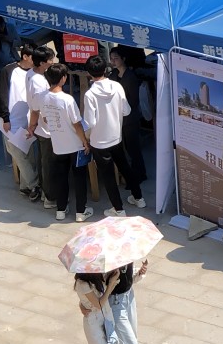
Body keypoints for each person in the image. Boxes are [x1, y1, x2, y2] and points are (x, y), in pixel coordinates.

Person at [83, 55, 145, 218]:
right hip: (116, 137)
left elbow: (90, 122)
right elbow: (126, 110)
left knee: (108, 175)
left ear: (88, 73)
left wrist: (86, 136)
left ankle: (118, 209)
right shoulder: (117, 86)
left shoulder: (90, 94)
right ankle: (139, 198)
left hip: (99, 141)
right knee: (125, 167)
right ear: (105, 69)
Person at [30, 63, 92, 222]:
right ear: (63, 78)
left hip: (57, 144)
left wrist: (33, 126)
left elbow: (37, 112)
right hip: (75, 145)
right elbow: (77, 124)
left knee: (61, 177)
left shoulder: (41, 97)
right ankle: (81, 212)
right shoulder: (67, 99)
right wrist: (85, 141)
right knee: (79, 178)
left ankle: (61, 210)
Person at [0, 42, 40, 201]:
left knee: (29, 156)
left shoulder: (35, 72)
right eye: (34, 58)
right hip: (12, 121)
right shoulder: (8, 70)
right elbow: (1, 95)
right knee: (19, 155)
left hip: (29, 121)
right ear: (25, 56)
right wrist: (5, 117)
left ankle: (24, 187)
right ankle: (35, 185)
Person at [108, 47, 147, 184]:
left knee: (133, 148)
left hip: (130, 118)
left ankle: (139, 174)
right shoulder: (113, 74)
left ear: (123, 59)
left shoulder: (130, 77)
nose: (113, 61)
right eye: (111, 58)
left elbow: (134, 101)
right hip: (118, 117)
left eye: (116, 58)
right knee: (124, 147)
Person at [25, 45, 56, 209]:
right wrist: (33, 125)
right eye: (51, 59)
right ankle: (50, 197)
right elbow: (37, 109)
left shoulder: (31, 74)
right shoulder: (39, 83)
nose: (53, 62)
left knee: (43, 160)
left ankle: (45, 192)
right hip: (45, 128)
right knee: (48, 163)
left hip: (39, 127)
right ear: (43, 63)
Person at [74, 270, 119, 344]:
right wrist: (110, 285)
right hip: (93, 322)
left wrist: (114, 278)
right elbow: (99, 305)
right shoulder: (82, 284)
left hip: (107, 318)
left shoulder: (99, 275)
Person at [108, 260, 148, 344]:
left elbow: (128, 277)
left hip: (129, 297)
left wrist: (138, 273)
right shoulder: (107, 258)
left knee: (129, 339)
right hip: (115, 302)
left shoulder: (126, 254)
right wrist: (85, 303)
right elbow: (93, 284)